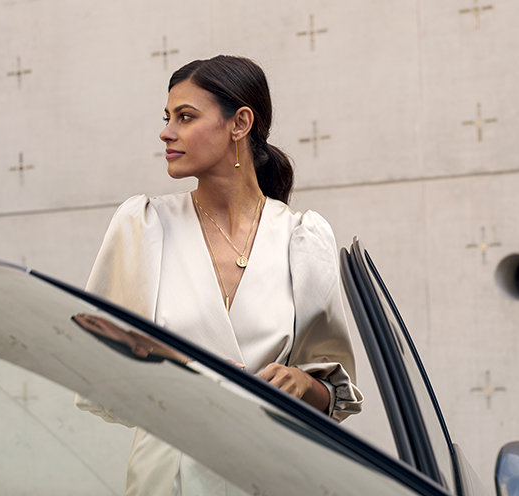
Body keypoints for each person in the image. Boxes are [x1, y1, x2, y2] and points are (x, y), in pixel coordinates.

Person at [77, 55, 362, 495]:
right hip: (166, 477)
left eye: (186, 117)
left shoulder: (302, 237)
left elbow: (335, 394)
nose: (166, 131)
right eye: (168, 117)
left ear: (240, 123)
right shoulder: (144, 225)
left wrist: (304, 383)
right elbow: (98, 371)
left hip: (273, 474)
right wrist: (183, 366)